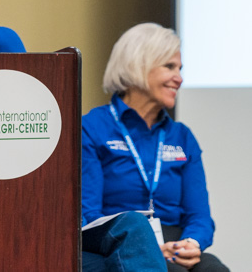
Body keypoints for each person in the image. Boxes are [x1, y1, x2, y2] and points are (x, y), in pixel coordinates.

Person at [82, 23, 229, 272]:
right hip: (118, 240)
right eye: (169, 67)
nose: (179, 78)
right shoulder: (93, 127)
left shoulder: (182, 137)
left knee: (214, 269)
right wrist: (145, 246)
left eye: (180, 69)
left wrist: (191, 243)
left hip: (175, 241)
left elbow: (200, 216)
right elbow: (89, 215)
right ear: (138, 65)